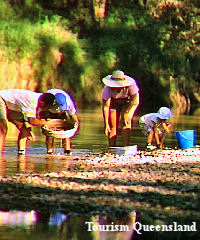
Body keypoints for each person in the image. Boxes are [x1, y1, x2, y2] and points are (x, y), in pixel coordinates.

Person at [0, 89, 57, 155]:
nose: (48, 109)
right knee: (3, 128)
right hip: (2, 99)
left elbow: (33, 120)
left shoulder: (40, 100)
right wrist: (50, 123)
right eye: (48, 107)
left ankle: (21, 153)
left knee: (25, 129)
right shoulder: (33, 102)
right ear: (43, 103)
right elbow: (32, 121)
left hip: (13, 105)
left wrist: (29, 131)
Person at [102, 70, 140, 147]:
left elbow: (135, 101)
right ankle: (111, 147)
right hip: (114, 103)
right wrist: (106, 124)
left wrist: (127, 113)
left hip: (128, 102)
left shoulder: (131, 85)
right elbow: (106, 107)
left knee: (126, 121)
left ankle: (126, 146)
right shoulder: (107, 89)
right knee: (112, 125)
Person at [40, 89, 79, 155]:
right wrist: (45, 120)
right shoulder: (47, 99)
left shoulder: (69, 104)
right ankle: (49, 151)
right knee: (49, 131)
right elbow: (40, 111)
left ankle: (67, 151)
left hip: (59, 110)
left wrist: (75, 126)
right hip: (48, 111)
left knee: (66, 131)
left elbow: (73, 117)